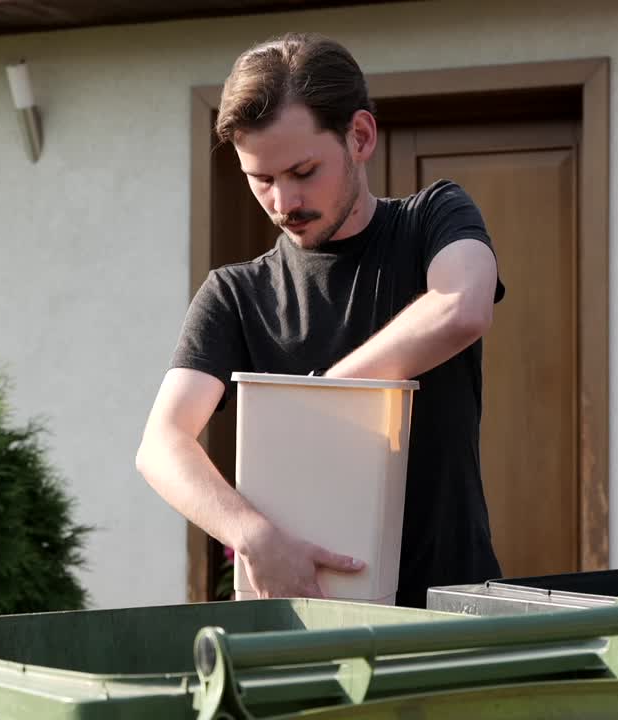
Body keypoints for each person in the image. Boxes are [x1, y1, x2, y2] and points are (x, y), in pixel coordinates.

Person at [135, 31, 504, 609]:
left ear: (359, 136)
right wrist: (251, 536)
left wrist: (319, 400)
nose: (283, 202)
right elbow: (161, 444)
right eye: (261, 179)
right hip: (296, 626)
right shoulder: (234, 293)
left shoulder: (434, 218)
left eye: (303, 171)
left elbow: (461, 306)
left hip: (452, 616)